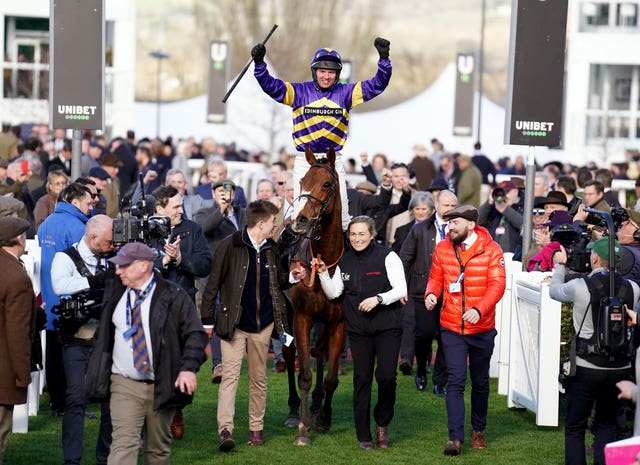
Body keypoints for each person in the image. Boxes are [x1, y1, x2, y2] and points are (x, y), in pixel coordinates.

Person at [84, 242, 208, 465]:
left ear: (143, 266)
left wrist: (188, 368)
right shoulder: (115, 289)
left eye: (124, 266)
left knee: (157, 451)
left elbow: (195, 335)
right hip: (124, 382)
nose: (118, 270)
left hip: (162, 382)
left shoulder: (174, 296)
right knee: (123, 443)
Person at [252, 37, 392, 230]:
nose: (326, 76)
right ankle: (283, 257)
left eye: (331, 72)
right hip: (305, 160)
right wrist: (260, 64)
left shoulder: (347, 93)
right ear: (314, 71)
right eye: (322, 71)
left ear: (337, 74)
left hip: (333, 161)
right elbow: (271, 86)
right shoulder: (298, 91)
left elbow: (377, 85)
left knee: (343, 219)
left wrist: (384, 59)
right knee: (297, 216)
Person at [201, 200, 306, 452]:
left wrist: (292, 277)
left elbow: (278, 281)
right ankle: (225, 429)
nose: (275, 226)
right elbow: (212, 284)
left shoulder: (271, 248)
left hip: (264, 325)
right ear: (261, 223)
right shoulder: (230, 245)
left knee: (259, 379)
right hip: (234, 324)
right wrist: (207, 320)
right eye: (273, 222)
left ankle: (255, 429)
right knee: (230, 378)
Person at [315, 216, 406, 450]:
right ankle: (363, 435)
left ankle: (382, 423)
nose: (357, 239)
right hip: (358, 329)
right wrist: (325, 274)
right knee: (361, 379)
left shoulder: (388, 256)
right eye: (353, 234)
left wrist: (378, 299)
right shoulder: (344, 261)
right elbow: (334, 293)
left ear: (372, 234)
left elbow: (401, 289)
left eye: (362, 234)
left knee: (386, 377)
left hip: (388, 326)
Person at [549, 237, 640, 465]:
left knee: (575, 427)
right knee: (607, 425)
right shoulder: (634, 289)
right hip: (619, 367)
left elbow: (555, 291)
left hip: (586, 366)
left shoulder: (581, 286)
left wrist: (560, 265)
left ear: (595, 258)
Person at [424, 205, 506, 456]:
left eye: (455, 223)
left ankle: (478, 430)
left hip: (481, 328)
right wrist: (431, 293)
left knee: (480, 382)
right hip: (451, 326)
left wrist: (479, 309)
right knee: (456, 381)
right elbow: (436, 277)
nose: (451, 228)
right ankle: (455, 438)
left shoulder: (492, 250)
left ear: (471, 224)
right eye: (449, 224)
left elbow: (497, 285)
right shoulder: (443, 248)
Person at [51, 215, 114, 465]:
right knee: (75, 399)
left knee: (111, 401)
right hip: (76, 338)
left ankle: (105, 458)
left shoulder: (112, 257)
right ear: (92, 237)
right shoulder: (64, 257)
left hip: (107, 339)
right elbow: (59, 285)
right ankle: (72, 461)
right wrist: (94, 281)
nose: (112, 246)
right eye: (108, 242)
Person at [38, 182, 94, 418]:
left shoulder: (46, 223)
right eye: (89, 202)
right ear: (75, 202)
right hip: (72, 301)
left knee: (52, 351)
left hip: (49, 298)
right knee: (73, 356)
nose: (92, 206)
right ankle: (71, 406)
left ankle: (57, 404)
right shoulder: (78, 227)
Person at [400, 189, 457, 396]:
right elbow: (404, 258)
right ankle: (422, 368)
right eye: (446, 206)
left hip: (451, 293)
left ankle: (440, 381)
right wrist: (401, 287)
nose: (450, 210)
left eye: (453, 206)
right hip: (422, 291)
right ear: (437, 205)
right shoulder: (420, 229)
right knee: (423, 334)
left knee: (446, 337)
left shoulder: (462, 230)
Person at [0, 217, 39, 464]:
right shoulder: (17, 277)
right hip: (3, 373)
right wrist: (23, 375)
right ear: (18, 239)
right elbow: (17, 333)